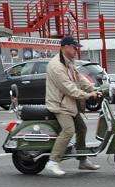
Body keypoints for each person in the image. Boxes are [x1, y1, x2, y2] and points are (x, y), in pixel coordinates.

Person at [44, 35, 102, 177]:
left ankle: (82, 160)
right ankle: (52, 162)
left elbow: (79, 79)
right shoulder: (56, 65)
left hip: (69, 104)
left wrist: (92, 88)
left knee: (82, 128)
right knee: (69, 131)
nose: (76, 50)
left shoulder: (68, 62)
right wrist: (87, 95)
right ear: (65, 47)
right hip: (60, 105)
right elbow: (68, 88)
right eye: (74, 47)